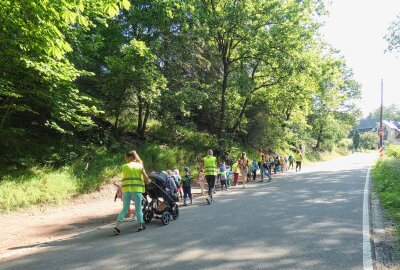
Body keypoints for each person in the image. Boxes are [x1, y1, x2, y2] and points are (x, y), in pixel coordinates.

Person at [114, 150, 150, 235]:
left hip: (126, 190)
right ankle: (140, 226)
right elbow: (146, 177)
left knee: (125, 209)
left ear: (130, 157)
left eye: (126, 157)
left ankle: (117, 227)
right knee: (138, 209)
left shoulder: (124, 166)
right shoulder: (139, 166)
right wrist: (148, 181)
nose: (125, 159)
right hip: (137, 190)